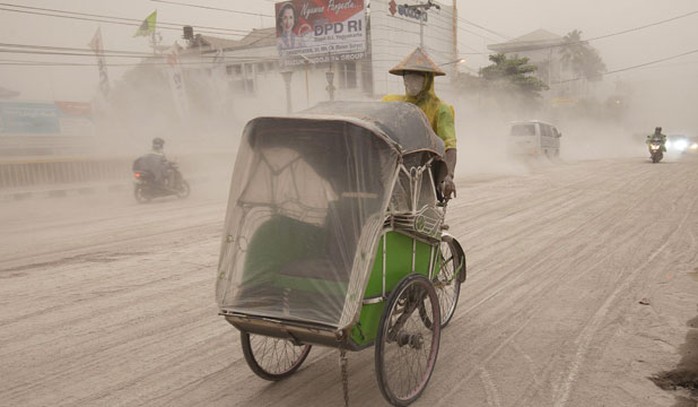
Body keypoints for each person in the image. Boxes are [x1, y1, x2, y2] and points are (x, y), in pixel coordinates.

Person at [382, 47, 457, 200]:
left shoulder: (441, 109)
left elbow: (450, 146)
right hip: (393, 170)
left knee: (418, 219)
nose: (411, 81)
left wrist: (448, 176)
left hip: (424, 174)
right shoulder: (391, 102)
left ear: (428, 80)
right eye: (408, 76)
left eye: (417, 77)